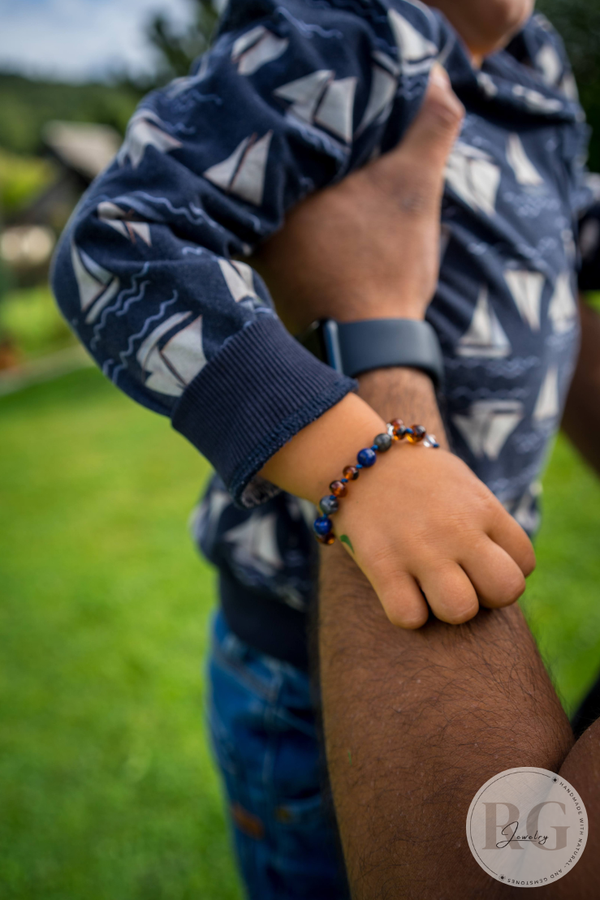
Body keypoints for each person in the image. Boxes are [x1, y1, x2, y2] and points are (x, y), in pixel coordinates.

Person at [50, 0, 600, 896]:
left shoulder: (535, 70)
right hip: (308, 669)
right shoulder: (344, 31)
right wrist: (366, 464)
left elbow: (558, 225)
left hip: (457, 599)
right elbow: (123, 244)